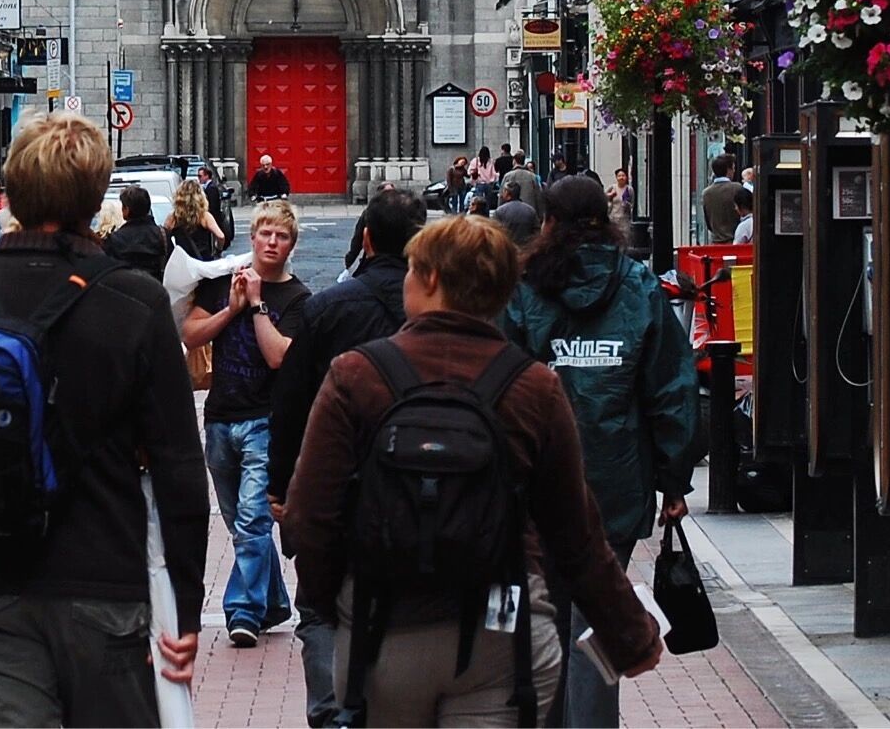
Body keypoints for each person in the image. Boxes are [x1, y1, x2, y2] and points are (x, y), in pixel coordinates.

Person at [283, 215, 662, 726]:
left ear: (433, 280)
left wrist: (336, 609)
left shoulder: (357, 375)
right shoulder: (533, 387)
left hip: (386, 626)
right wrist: (629, 637)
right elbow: (576, 532)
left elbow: (309, 515)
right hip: (500, 628)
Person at [0, 113, 207, 727]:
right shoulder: (133, 303)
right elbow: (178, 469)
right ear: (98, 199)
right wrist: (187, 605)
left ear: (11, 190)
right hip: (101, 580)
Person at [501, 174, 699, 729]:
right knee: (597, 615)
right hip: (615, 481)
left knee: (542, 620)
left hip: (539, 486)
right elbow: (671, 390)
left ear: (548, 223)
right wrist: (673, 480)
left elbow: (501, 387)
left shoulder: (525, 292)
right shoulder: (638, 287)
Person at [269, 187, 426, 727]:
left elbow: (289, 405)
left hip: (334, 482)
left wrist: (281, 484)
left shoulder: (325, 309)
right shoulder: (435, 312)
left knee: (318, 603)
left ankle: (332, 711)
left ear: (366, 238)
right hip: (417, 486)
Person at [183, 200, 308, 647]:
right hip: (220, 418)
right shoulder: (222, 282)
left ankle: (242, 612)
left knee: (255, 521)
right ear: (252, 237)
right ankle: (274, 601)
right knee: (241, 525)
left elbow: (279, 356)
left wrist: (255, 306)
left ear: (292, 244)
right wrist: (231, 309)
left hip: (264, 421)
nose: (272, 243)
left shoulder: (297, 298)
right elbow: (190, 334)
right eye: (265, 234)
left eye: (282, 237)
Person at [106, 183, 171, 279]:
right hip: (157, 288)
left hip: (126, 290)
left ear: (126, 210)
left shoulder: (116, 239)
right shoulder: (163, 235)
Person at [167, 178, 226, 260]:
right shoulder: (204, 216)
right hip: (203, 260)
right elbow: (221, 236)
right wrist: (218, 250)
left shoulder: (174, 217)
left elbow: (164, 236)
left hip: (183, 261)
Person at [702, 155, 741, 243]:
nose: (734, 171)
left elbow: (708, 222)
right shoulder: (737, 188)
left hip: (715, 242)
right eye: (733, 168)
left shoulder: (706, 193)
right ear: (728, 170)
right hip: (736, 242)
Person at [197, 164, 235, 242]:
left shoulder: (212, 188)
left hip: (214, 219)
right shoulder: (207, 187)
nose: (198, 178)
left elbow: (213, 206)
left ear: (206, 176)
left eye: (200, 176)